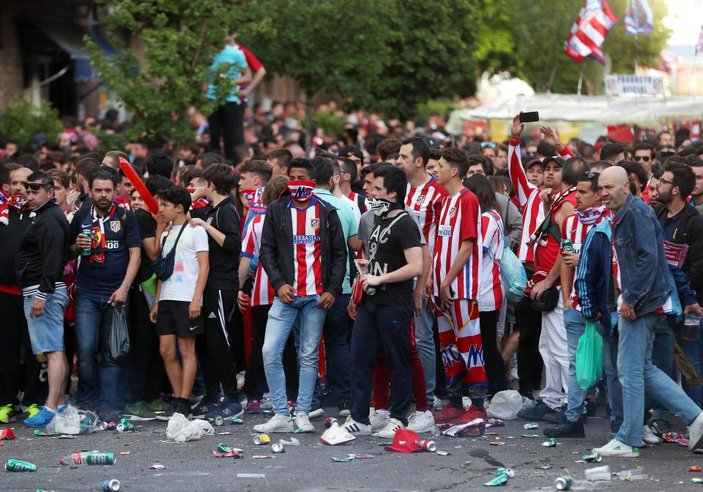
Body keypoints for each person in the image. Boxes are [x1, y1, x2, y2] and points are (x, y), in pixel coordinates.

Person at [593, 166, 703, 457]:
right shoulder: (629, 213)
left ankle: (628, 438)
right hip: (645, 303)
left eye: (609, 187)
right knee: (643, 368)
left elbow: (648, 259)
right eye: (601, 187)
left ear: (626, 186)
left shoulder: (636, 213)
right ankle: (696, 417)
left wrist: (629, 298)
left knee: (629, 371)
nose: (603, 193)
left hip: (640, 306)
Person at [255, 157, 346, 433]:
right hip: (285, 296)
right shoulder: (276, 210)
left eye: (302, 178)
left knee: (308, 356)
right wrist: (279, 283)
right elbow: (266, 251)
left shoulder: (327, 212)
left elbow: (342, 255)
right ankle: (281, 413)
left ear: (312, 180)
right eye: (292, 178)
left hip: (315, 298)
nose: (297, 184)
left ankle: (303, 412)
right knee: (270, 351)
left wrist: (332, 289)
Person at [342, 165, 423, 438]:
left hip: (395, 302)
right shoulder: (377, 220)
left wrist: (381, 278)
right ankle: (360, 418)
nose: (370, 194)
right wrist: (367, 272)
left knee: (397, 360)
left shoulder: (406, 223)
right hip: (371, 302)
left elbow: (416, 266)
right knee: (360, 357)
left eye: (377, 189)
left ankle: (399, 416)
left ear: (392, 192)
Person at [69, 166, 141, 422]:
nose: (103, 195)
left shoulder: (125, 216)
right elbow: (68, 253)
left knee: (112, 352)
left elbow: (135, 254)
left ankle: (109, 403)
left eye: (108, 190)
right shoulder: (80, 215)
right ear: (89, 189)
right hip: (87, 293)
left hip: (116, 295)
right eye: (98, 190)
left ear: (116, 189)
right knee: (86, 349)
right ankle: (86, 399)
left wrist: (124, 288)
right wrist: (76, 247)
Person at [542, 171, 610, 438]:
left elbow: (605, 264)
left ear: (597, 195)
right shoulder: (570, 222)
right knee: (574, 362)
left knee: (610, 366)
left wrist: (580, 259)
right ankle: (573, 418)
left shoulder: (608, 221)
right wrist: (567, 297)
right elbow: (565, 257)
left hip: (602, 307)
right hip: (576, 306)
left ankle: (619, 420)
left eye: (582, 193)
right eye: (576, 192)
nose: (576, 197)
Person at [432, 147, 488, 424]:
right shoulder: (446, 200)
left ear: (454, 171)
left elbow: (467, 246)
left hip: (460, 288)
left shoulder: (468, 200)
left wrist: (447, 279)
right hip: (441, 288)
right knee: (448, 346)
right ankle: (454, 401)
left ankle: (478, 404)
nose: (436, 169)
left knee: (469, 344)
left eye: (440, 165)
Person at [189, 164, 244, 419]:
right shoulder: (212, 210)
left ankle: (231, 397)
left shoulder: (227, 210)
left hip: (223, 284)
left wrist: (206, 226)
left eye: (204, 184)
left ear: (211, 185)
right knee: (208, 344)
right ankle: (213, 395)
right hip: (210, 284)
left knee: (220, 343)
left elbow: (234, 244)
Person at [150, 186, 209, 418]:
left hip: (187, 298)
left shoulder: (196, 231)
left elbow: (204, 266)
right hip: (166, 298)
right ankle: (178, 398)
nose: (160, 209)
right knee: (166, 350)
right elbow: (163, 270)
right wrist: (157, 301)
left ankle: (184, 400)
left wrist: (196, 299)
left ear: (179, 208)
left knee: (187, 349)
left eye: (164, 205)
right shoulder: (165, 233)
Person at [16, 172, 70, 427]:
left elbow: (52, 262)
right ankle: (58, 404)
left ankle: (51, 407)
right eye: (29, 190)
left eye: (36, 190)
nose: (30, 195)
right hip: (43, 289)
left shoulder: (49, 219)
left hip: (44, 291)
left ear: (50, 192)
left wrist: (40, 294)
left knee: (53, 351)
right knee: (53, 349)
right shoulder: (47, 217)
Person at [396, 136, 445, 409]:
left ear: (418, 161)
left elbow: (439, 240)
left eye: (403, 157)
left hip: (424, 276)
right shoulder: (400, 189)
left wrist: (428, 278)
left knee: (424, 337)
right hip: (399, 273)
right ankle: (405, 391)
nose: (398, 161)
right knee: (400, 336)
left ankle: (426, 396)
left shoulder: (437, 192)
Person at [312, 157, 362, 415]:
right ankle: (343, 397)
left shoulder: (301, 205)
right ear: (334, 179)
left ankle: (309, 399)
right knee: (338, 343)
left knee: (307, 346)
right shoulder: (346, 206)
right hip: (340, 285)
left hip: (308, 285)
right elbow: (356, 245)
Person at [654, 163, 703, 406]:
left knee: (690, 361)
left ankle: (698, 417)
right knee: (664, 361)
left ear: (675, 190)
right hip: (663, 306)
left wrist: (682, 294)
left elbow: (698, 267)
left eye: (663, 181)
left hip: (690, 308)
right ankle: (666, 416)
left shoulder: (695, 222)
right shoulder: (659, 215)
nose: (657, 184)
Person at [463, 174, 507, 396]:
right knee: (485, 342)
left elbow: (473, 250)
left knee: (486, 342)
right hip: (485, 289)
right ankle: (491, 385)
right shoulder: (492, 216)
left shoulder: (488, 219)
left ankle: (496, 386)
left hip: (485, 290)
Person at [206, 33, 253, 162]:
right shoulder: (207, 54)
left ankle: (232, 165)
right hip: (212, 98)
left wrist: (229, 82)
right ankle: (214, 166)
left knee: (231, 136)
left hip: (231, 98)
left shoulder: (236, 53)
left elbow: (248, 76)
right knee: (214, 135)